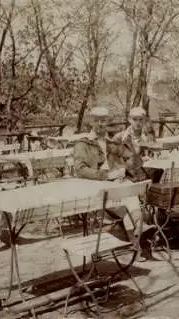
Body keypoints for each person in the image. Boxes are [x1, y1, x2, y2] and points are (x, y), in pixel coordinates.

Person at [72, 106, 156, 261]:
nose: (101, 124)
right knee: (127, 200)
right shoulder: (83, 144)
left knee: (130, 197)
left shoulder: (111, 143)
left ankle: (137, 241)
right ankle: (139, 233)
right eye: (97, 121)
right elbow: (80, 170)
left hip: (116, 185)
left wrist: (133, 155)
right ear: (91, 122)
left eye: (104, 121)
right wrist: (108, 175)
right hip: (96, 187)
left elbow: (133, 161)